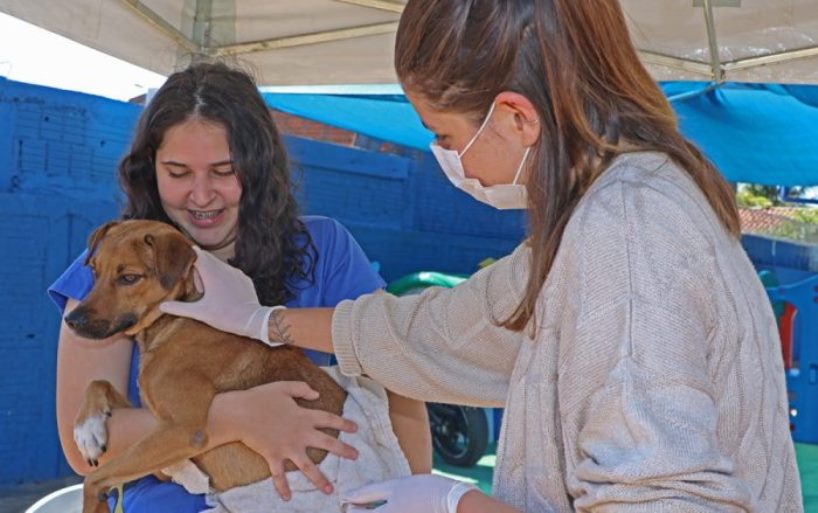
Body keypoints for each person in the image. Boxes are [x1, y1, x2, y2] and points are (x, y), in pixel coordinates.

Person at [160, 1, 805, 512]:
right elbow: (453, 331)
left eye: (444, 134)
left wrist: (456, 501)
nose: (446, 157)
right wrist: (260, 322)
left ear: (516, 118)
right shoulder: (612, 207)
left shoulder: (628, 231)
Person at [48, 62, 431, 513]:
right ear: (149, 170)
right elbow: (85, 450)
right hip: (175, 495)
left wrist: (413, 494)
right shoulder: (112, 266)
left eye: (224, 170)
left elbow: (399, 378)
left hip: (320, 490)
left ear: (258, 167)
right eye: (178, 172)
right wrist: (236, 418)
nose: (202, 195)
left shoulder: (323, 249)